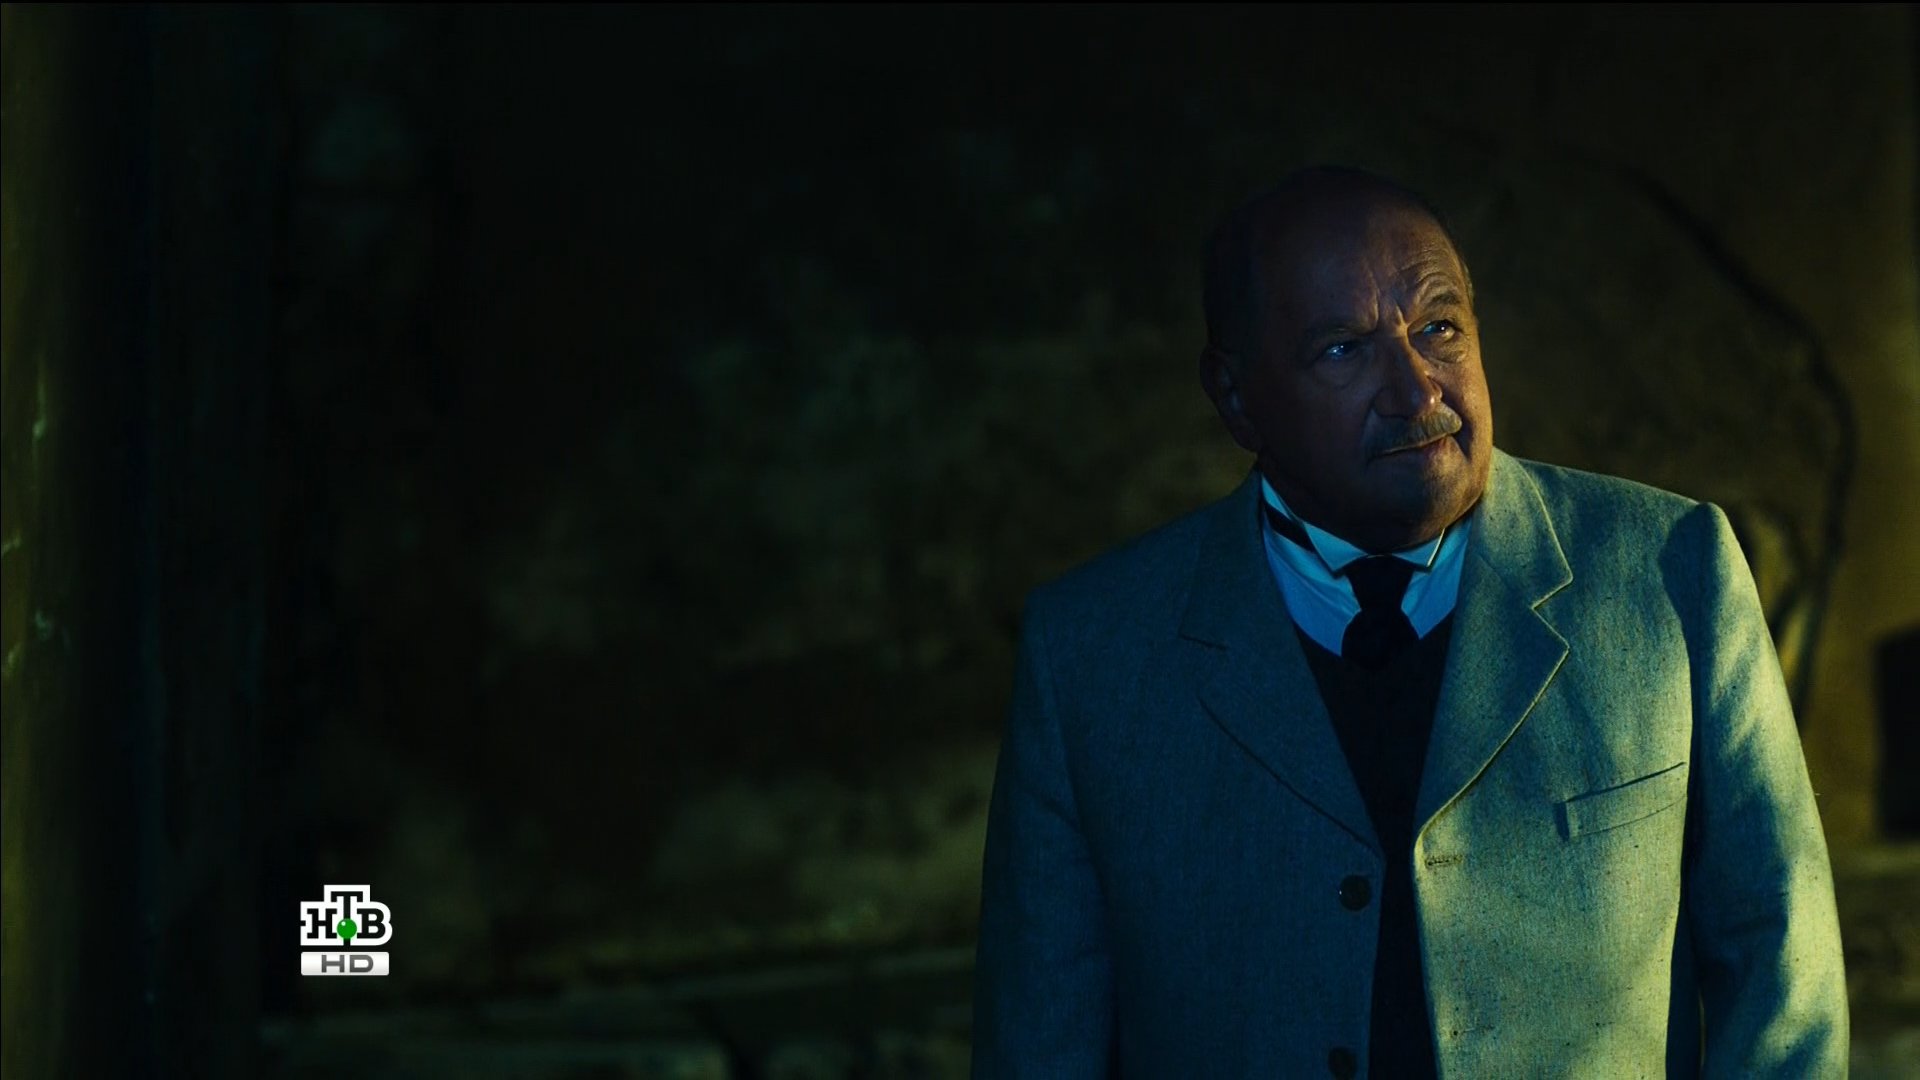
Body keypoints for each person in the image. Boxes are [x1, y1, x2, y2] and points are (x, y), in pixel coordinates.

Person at [969, 167, 1848, 1078]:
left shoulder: (1670, 569)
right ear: (1234, 397)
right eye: (1343, 350)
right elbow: (1038, 1041)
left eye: (1439, 329)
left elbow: (1785, 976)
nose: (1417, 391)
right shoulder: (1089, 654)